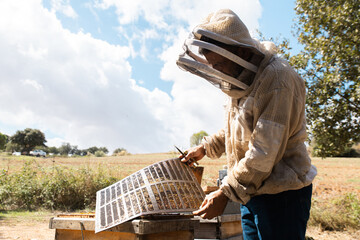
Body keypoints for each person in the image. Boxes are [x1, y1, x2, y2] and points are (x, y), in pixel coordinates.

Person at [176, 9, 317, 240]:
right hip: (250, 191)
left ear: (240, 52)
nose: (217, 71)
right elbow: (237, 127)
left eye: (219, 65)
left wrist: (224, 192)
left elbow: (264, 151)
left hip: (281, 196)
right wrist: (205, 147)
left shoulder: (278, 80)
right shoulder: (242, 79)